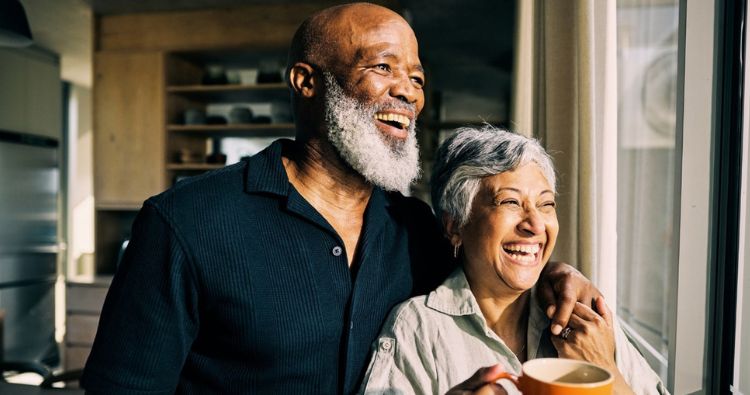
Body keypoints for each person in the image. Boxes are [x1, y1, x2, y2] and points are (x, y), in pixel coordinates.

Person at [81, 4, 600, 394]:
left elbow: (491, 282)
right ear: (306, 82)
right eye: (383, 67)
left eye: (416, 77)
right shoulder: (187, 223)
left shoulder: (415, 229)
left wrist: (560, 276)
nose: (408, 92)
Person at [360, 126, 669, 395]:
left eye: (546, 204)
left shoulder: (587, 316)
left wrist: (605, 370)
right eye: (509, 202)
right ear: (455, 226)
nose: (535, 224)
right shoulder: (418, 329)